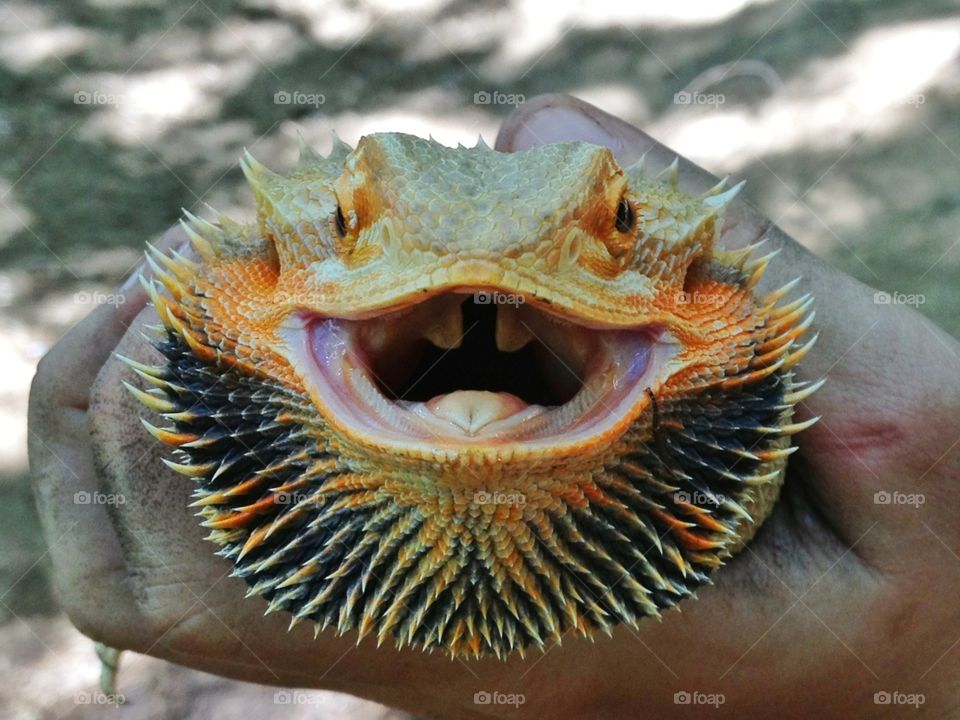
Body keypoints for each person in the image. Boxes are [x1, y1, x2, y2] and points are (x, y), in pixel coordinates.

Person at [28, 94, 960, 718]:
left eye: (615, 225)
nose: (483, 277)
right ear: (276, 258)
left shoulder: (761, 355)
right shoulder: (227, 302)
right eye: (354, 228)